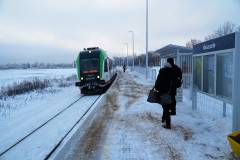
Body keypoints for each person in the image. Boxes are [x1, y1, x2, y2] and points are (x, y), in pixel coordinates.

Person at [154, 62, 174, 129]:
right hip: (170, 93)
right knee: (166, 107)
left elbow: (157, 83)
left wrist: (156, 89)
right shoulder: (172, 73)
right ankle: (164, 119)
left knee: (166, 108)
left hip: (162, 93)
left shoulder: (162, 73)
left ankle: (167, 124)